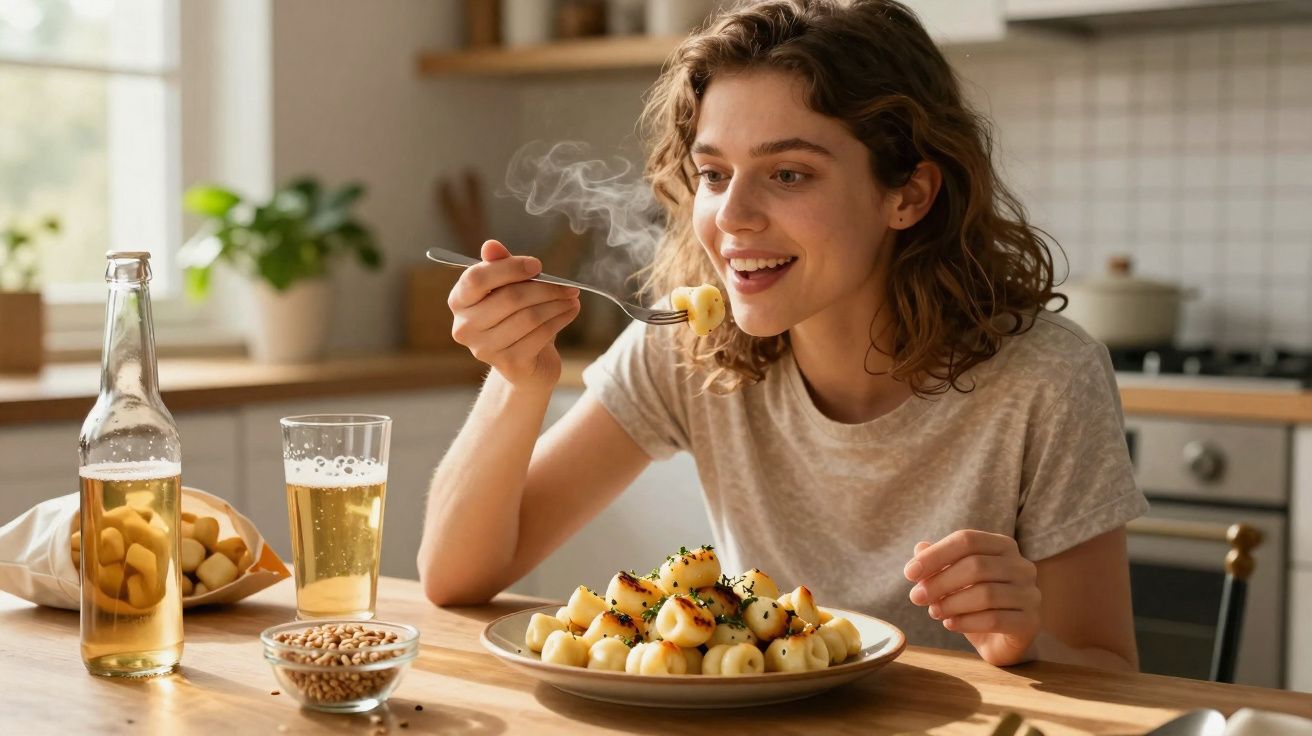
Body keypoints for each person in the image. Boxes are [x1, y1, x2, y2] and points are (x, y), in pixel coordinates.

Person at [417, 0, 1147, 671]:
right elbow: (456, 576)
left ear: (908, 194)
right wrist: (518, 381)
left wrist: (1022, 643)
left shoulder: (1046, 378)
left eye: (789, 173)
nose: (732, 216)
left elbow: (1112, 670)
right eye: (713, 173)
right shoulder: (687, 347)